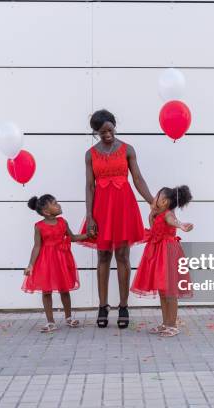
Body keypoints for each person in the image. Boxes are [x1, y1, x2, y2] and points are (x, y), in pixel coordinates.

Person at [79, 109, 154, 329]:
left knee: (123, 254)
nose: (107, 135)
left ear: (114, 126)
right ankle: (103, 306)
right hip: (101, 208)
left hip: (123, 206)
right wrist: (90, 216)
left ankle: (123, 306)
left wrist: (152, 201)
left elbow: (138, 178)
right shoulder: (90, 154)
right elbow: (89, 186)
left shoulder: (128, 149)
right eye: (102, 132)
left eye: (110, 130)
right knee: (103, 255)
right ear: (96, 132)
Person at [130, 185, 194, 337]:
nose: (154, 198)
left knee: (170, 290)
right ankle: (166, 323)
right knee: (163, 291)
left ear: (164, 202)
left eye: (157, 196)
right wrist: (151, 217)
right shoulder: (157, 214)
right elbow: (154, 231)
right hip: (158, 251)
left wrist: (182, 226)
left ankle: (172, 325)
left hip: (168, 252)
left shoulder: (167, 214)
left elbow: (173, 221)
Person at [23, 194, 92, 333]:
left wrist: (88, 235)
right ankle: (50, 322)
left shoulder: (62, 222)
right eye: (55, 203)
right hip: (46, 262)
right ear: (46, 212)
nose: (59, 205)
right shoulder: (39, 226)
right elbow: (37, 246)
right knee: (46, 291)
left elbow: (72, 237)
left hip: (62, 260)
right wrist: (30, 265)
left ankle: (68, 317)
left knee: (64, 289)